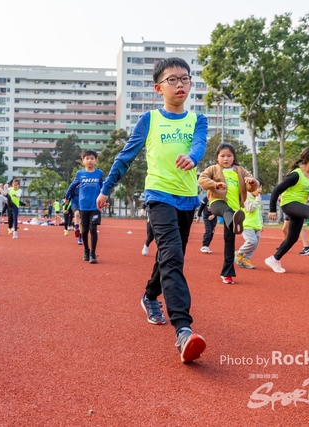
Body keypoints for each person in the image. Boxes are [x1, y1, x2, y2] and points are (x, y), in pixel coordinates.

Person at [97, 57, 207, 363]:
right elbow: (126, 156)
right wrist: (107, 187)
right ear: (158, 88)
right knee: (172, 256)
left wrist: (193, 157)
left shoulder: (198, 119)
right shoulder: (149, 120)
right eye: (172, 79)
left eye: (185, 78)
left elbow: (199, 145)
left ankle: (149, 295)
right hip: (158, 196)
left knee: (170, 256)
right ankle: (183, 330)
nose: (180, 84)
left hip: (187, 198)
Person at [198, 143, 258, 284]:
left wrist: (251, 182)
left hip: (235, 209)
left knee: (229, 242)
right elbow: (202, 180)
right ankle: (234, 224)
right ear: (217, 158)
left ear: (233, 157)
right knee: (226, 210)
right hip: (217, 202)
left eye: (229, 156)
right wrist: (215, 184)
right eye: (222, 156)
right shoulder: (213, 169)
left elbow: (253, 185)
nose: (226, 159)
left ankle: (227, 273)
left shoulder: (240, 171)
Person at [65, 150, 104, 264]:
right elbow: (72, 186)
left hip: (95, 206)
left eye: (92, 158)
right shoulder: (80, 174)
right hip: (83, 206)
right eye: (87, 158)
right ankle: (86, 250)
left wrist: (104, 199)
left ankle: (93, 254)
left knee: (93, 229)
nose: (89, 160)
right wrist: (67, 197)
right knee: (85, 230)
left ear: (95, 160)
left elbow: (103, 187)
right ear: (83, 161)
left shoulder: (99, 173)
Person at [235, 179, 263, 269]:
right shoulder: (245, 197)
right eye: (257, 187)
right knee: (252, 241)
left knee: (255, 245)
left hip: (256, 225)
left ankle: (245, 259)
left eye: (260, 187)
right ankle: (239, 253)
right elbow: (250, 209)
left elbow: (259, 213)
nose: (260, 190)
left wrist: (261, 224)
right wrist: (257, 200)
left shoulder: (256, 198)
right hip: (247, 225)